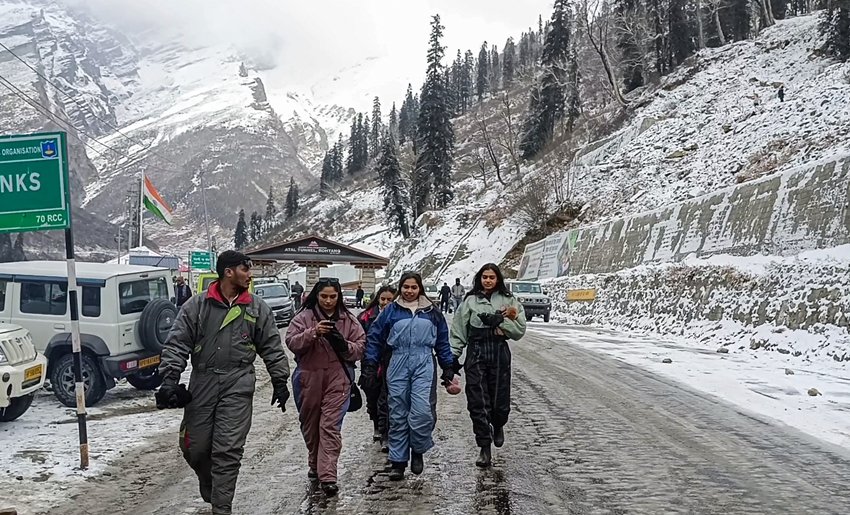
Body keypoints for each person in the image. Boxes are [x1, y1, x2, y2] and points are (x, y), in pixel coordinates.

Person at [157, 251, 291, 515]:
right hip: (203, 382)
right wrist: (170, 379)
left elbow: (272, 346)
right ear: (228, 272)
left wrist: (279, 380)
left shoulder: (256, 307)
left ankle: (221, 507)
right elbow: (177, 343)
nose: (250, 275)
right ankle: (211, 484)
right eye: (245, 269)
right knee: (195, 448)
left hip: (238, 382)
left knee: (227, 450)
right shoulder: (197, 306)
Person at [360, 272, 454, 481]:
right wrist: (370, 364)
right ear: (400, 288)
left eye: (413, 287)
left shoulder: (432, 312)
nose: (409, 291)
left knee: (422, 410)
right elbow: (374, 338)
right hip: (398, 361)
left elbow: (442, 340)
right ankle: (398, 461)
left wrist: (448, 365)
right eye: (405, 287)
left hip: (424, 361)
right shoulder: (391, 311)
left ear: (419, 288)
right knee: (397, 412)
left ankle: (418, 448)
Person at [285, 277, 365, 497]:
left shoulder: (349, 320)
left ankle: (328, 475)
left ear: (338, 297)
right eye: (324, 296)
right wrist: (313, 333)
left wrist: (343, 344)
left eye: (332, 296)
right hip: (308, 378)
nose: (328, 301)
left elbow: (360, 348)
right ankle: (315, 463)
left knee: (329, 426)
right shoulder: (303, 317)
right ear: (316, 296)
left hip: (338, 379)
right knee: (310, 425)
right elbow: (291, 342)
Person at [449, 263, 526, 468]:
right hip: (476, 352)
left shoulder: (509, 300)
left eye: (492, 277)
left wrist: (500, 321)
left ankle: (498, 424)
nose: (488, 280)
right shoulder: (470, 301)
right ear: (479, 279)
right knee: (477, 400)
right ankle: (484, 445)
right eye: (485, 277)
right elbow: (459, 330)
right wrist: (453, 357)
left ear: (498, 279)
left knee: (499, 398)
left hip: (499, 352)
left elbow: (519, 331)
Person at [357, 286, 397, 451]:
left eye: (389, 299)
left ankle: (385, 431)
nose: (386, 302)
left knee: (387, 398)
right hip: (370, 362)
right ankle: (376, 423)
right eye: (383, 299)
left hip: (391, 361)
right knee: (372, 396)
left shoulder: (399, 315)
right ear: (377, 299)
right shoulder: (365, 317)